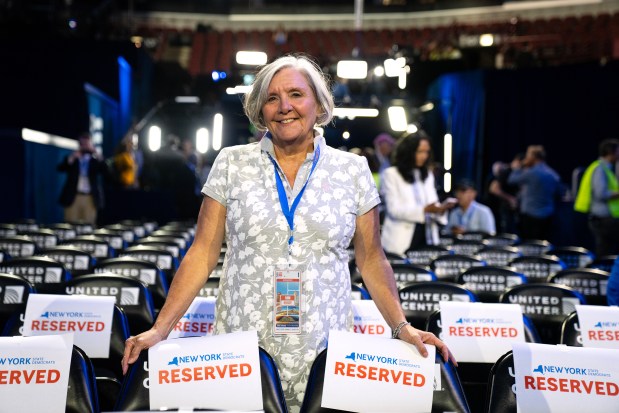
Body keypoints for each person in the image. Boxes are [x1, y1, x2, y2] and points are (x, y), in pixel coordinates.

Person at [121, 55, 455, 412]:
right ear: (260, 109)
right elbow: (202, 253)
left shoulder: (353, 170)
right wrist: (160, 329)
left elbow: (372, 259)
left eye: (296, 94)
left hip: (325, 346)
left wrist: (402, 327)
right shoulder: (232, 163)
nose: (284, 107)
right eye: (272, 97)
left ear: (319, 104)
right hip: (243, 343)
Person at [380, 131, 456, 255]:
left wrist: (441, 209)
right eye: (420, 151)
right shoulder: (391, 174)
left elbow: (432, 204)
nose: (424, 156)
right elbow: (394, 210)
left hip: (428, 237)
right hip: (400, 241)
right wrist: (424, 210)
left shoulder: (427, 175)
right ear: (408, 152)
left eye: (427, 152)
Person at [508, 145, 563, 241]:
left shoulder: (530, 173)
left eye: (527, 156)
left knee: (529, 247)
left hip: (530, 218)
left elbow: (511, 180)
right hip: (548, 217)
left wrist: (517, 168)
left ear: (533, 157)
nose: (526, 158)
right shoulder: (553, 175)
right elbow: (559, 193)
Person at [574, 138, 619, 256]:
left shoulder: (606, 169)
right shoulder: (600, 169)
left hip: (607, 219)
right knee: (604, 253)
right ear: (611, 152)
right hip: (602, 220)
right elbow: (601, 194)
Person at [57, 132, 108, 225]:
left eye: (87, 144)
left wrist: (96, 153)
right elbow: (60, 168)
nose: (85, 146)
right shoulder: (73, 158)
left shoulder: (95, 161)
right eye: (82, 144)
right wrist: (72, 158)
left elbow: (106, 171)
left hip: (90, 197)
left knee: (89, 225)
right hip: (73, 196)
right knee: (70, 224)